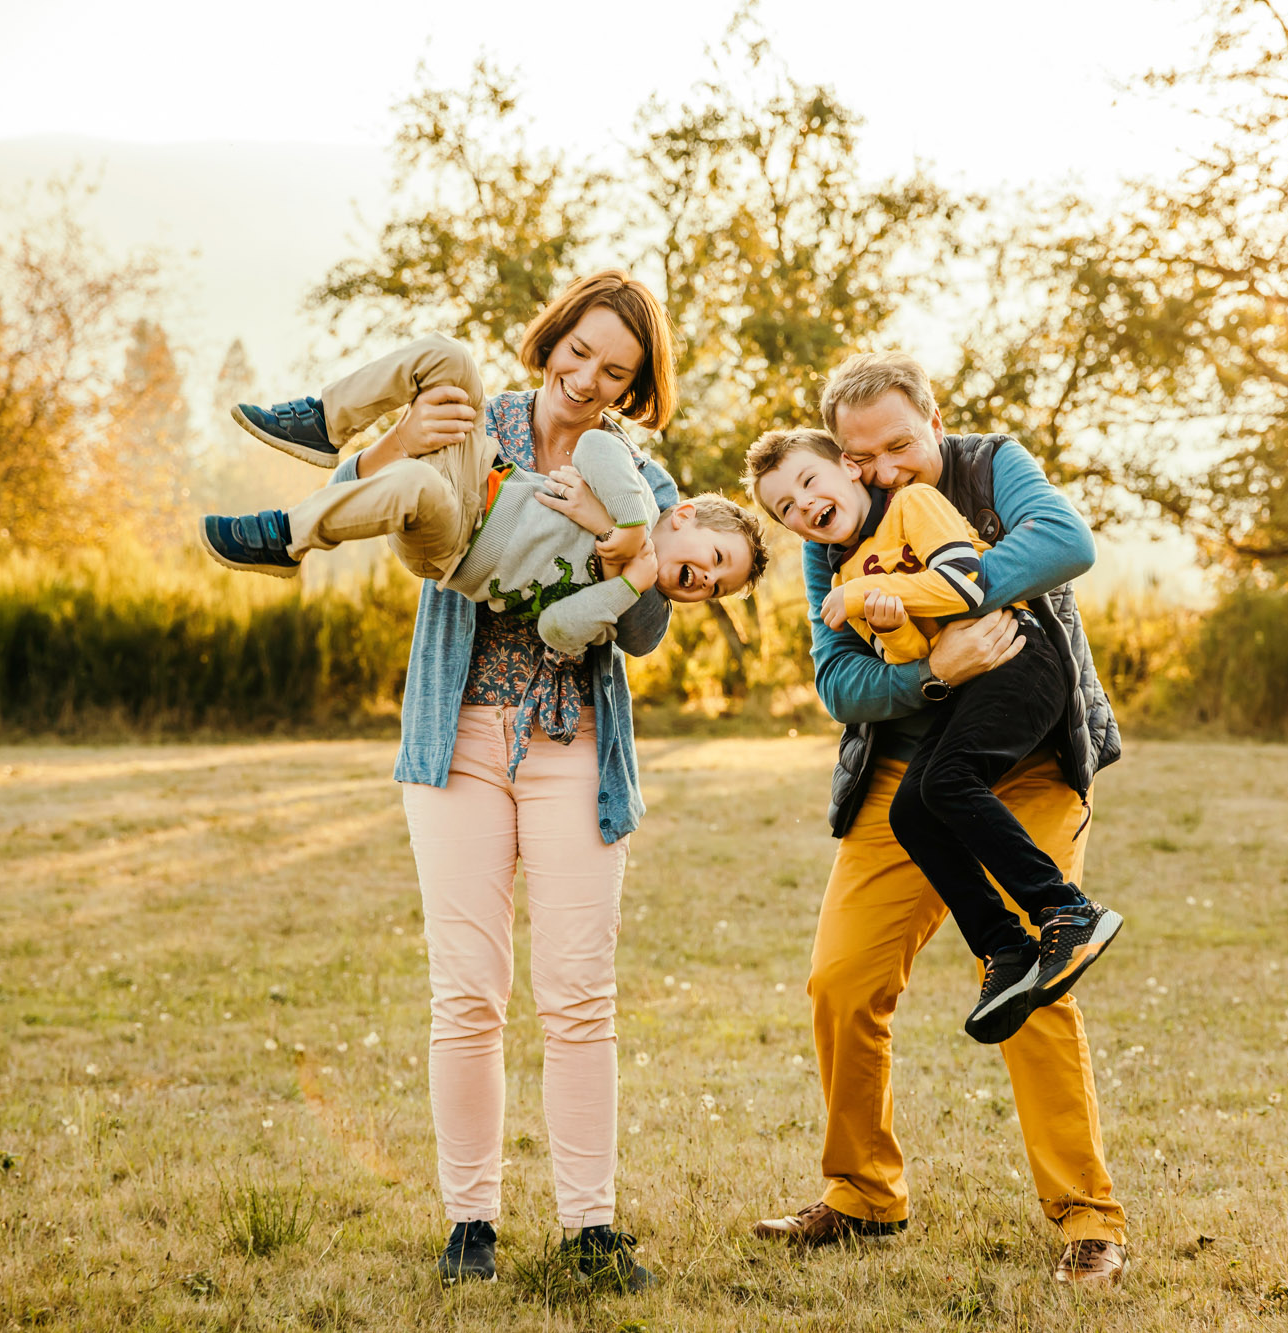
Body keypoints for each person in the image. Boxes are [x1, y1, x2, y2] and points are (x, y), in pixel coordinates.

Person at [237, 270, 698, 1289]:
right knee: (467, 995)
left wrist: (628, 542)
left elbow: (649, 633)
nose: (586, 381)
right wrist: (391, 443)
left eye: (614, 373)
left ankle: (589, 1226)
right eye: (577, 354)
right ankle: (469, 1223)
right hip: (457, 743)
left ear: (634, 386)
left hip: (575, 743)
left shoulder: (637, 473)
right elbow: (378, 491)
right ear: (551, 340)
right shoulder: (474, 415)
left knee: (578, 997)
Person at [748, 352, 1130, 1286]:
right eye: (859, 454)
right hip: (903, 772)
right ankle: (863, 1193)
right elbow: (839, 681)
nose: (881, 471)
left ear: (935, 421)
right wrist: (935, 669)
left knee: (1038, 974)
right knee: (840, 982)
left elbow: (1063, 543)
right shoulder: (823, 531)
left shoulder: (992, 462)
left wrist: (948, 600)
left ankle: (1088, 1217)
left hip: (1032, 767)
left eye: (898, 446)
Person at [747, 428, 1122, 1044]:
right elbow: (923, 651)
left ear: (849, 467)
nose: (803, 504)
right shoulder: (844, 567)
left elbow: (967, 585)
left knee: (946, 783)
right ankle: (1006, 949)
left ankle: (1068, 911)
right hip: (971, 687)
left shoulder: (913, 506)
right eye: (786, 507)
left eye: (809, 482)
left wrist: (872, 592)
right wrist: (891, 628)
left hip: (1021, 659)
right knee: (912, 812)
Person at [199, 336, 765, 656]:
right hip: (480, 477)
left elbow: (559, 631)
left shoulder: (631, 599)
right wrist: (626, 529)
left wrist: (630, 581)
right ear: (684, 516)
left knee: (415, 486)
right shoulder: (643, 491)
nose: (705, 580)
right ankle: (325, 421)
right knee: (450, 359)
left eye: (717, 587)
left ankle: (283, 538)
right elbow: (594, 447)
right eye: (716, 558)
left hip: (456, 544)